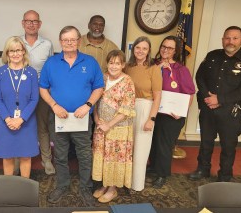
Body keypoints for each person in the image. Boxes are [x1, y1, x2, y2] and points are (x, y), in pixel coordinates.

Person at [40, 26, 104, 206]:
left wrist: (88, 105)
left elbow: (98, 87)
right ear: (60, 42)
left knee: (84, 155)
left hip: (82, 119)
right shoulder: (51, 63)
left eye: (72, 39)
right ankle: (62, 185)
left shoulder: (90, 62)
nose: (69, 43)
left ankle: (85, 187)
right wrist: (53, 105)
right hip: (58, 117)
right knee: (60, 155)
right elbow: (43, 88)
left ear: (79, 41)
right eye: (65, 40)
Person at [189, 26, 241, 182]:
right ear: (223, 39)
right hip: (208, 107)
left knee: (228, 145)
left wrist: (219, 100)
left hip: (230, 111)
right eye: (227, 38)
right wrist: (208, 97)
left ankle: (225, 175)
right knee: (206, 141)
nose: (231, 41)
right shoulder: (212, 55)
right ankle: (203, 169)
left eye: (235, 38)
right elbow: (200, 77)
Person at [149, 36, 195, 188]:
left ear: (176, 51)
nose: (165, 50)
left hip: (171, 115)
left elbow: (189, 93)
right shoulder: (153, 65)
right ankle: (153, 166)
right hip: (152, 112)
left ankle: (162, 174)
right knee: (152, 141)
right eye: (163, 46)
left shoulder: (181, 70)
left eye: (169, 48)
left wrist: (181, 112)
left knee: (164, 144)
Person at [92, 50, 135, 203]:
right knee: (103, 156)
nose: (114, 66)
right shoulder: (102, 78)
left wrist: (109, 125)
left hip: (119, 128)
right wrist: (97, 119)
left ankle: (112, 189)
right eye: (111, 63)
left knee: (115, 158)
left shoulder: (128, 81)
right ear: (107, 63)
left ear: (123, 65)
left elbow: (127, 109)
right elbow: (95, 100)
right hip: (101, 126)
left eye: (118, 63)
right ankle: (104, 184)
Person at [0, 36, 40, 178]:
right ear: (7, 53)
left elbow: (34, 99)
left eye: (18, 50)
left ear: (23, 52)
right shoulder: (0, 72)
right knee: (7, 156)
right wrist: (8, 119)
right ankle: (9, 187)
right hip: (5, 122)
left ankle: (24, 187)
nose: (15, 54)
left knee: (26, 156)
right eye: (12, 51)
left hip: (26, 122)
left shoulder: (31, 72)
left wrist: (21, 119)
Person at [20, 10, 55, 175]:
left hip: (42, 91)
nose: (31, 24)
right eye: (28, 21)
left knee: (43, 127)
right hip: (20, 93)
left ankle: (46, 159)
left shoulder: (47, 44)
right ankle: (18, 158)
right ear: (23, 23)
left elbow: (51, 70)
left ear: (39, 24)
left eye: (34, 21)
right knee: (21, 125)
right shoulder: (16, 42)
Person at [125, 36, 162, 191]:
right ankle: (125, 181)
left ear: (149, 51)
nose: (140, 51)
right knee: (128, 147)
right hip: (127, 109)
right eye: (138, 48)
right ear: (134, 49)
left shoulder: (154, 68)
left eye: (144, 48)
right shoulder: (127, 66)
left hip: (145, 109)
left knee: (141, 148)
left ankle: (136, 184)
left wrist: (151, 119)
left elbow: (158, 95)